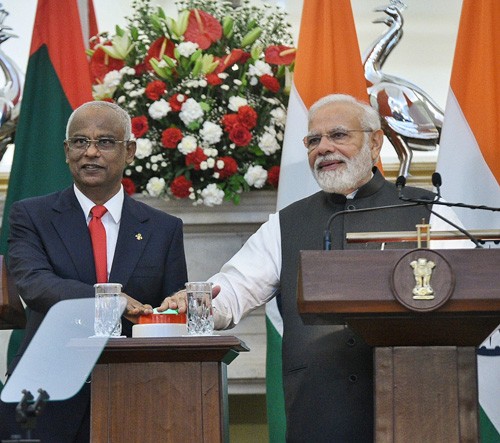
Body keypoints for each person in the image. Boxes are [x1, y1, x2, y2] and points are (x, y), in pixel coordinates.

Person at [159, 94, 470, 442]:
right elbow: (234, 287)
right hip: (320, 411)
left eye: (338, 135)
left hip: (415, 406)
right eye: (313, 140)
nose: (323, 148)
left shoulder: (428, 212)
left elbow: (472, 287)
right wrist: (198, 302)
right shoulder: (288, 222)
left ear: (375, 142)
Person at [0, 101, 188, 442]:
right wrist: (110, 299)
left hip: (138, 394)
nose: (91, 152)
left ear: (129, 151)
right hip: (45, 395)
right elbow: (35, 284)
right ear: (66, 150)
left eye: (105, 142)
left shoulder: (164, 228)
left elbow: (172, 317)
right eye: (80, 141)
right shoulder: (31, 216)